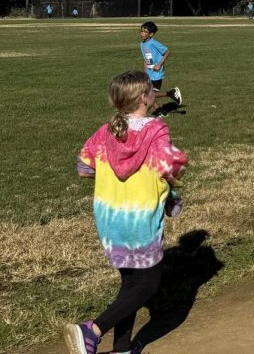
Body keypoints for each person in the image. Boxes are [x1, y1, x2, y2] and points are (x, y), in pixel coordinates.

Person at [66, 71, 187, 354]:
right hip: (140, 219)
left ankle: (121, 349)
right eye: (151, 91)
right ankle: (91, 330)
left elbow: (84, 168)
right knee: (148, 284)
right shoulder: (156, 130)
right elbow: (170, 167)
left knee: (131, 284)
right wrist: (173, 194)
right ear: (145, 97)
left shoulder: (105, 131)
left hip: (110, 219)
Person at [137, 21, 182, 108]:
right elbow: (145, 58)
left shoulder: (154, 43)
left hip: (156, 74)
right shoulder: (142, 44)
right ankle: (160, 111)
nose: (142, 33)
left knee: (150, 94)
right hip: (149, 73)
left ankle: (170, 93)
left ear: (151, 34)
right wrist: (145, 72)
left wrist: (159, 64)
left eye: (145, 32)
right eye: (141, 31)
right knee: (147, 94)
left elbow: (167, 51)